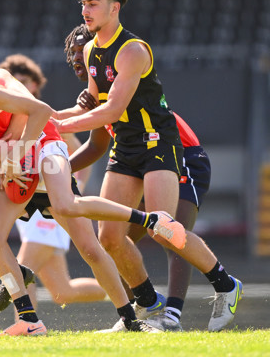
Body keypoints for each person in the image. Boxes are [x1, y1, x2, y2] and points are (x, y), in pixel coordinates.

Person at [0, 40, 186, 336]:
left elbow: (40, 111)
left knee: (84, 238)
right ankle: (30, 319)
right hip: (14, 166)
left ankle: (146, 238)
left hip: (43, 146)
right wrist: (3, 163)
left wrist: (11, 157)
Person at [54, 0, 242, 332]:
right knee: (109, 236)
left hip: (157, 142)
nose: (86, 11)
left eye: (93, 3)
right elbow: (89, 105)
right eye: (83, 5)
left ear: (115, 7)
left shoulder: (133, 50)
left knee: (162, 228)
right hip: (125, 147)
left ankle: (226, 285)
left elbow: (109, 110)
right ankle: (150, 306)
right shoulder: (91, 49)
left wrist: (59, 127)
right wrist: (43, 117)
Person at [65, 23, 212, 331]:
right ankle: (140, 313)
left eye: (84, 48)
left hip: (181, 157)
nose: (79, 56)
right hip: (137, 163)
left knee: (171, 233)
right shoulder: (98, 94)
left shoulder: (122, 77)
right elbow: (97, 145)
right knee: (116, 241)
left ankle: (173, 314)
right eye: (73, 53)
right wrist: (62, 170)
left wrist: (57, 132)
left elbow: (107, 126)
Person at [0, 54, 106, 316]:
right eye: (11, 81)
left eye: (23, 81)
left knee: (19, 269)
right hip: (27, 208)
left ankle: (27, 326)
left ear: (35, 85)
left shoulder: (43, 115)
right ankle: (125, 288)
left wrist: (68, 186)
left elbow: (80, 153)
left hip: (49, 207)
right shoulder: (4, 120)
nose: (17, 86)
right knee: (62, 292)